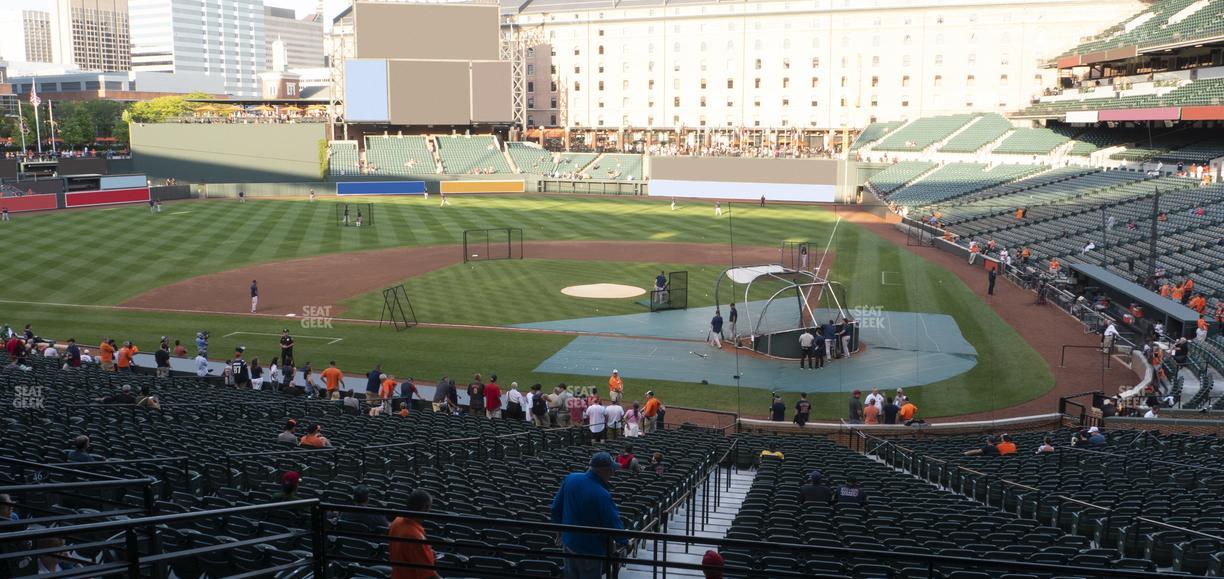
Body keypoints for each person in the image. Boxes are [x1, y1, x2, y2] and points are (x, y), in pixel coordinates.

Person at [551, 452, 628, 579]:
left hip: (568, 542)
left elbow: (555, 508)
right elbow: (613, 524)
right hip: (590, 550)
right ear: (604, 471)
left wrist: (560, 532)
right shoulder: (602, 494)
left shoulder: (571, 478)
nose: (613, 473)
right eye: (611, 470)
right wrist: (625, 541)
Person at [388, 489, 441, 579]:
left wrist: (428, 552)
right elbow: (429, 574)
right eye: (429, 508)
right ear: (424, 508)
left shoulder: (397, 521)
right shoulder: (415, 537)